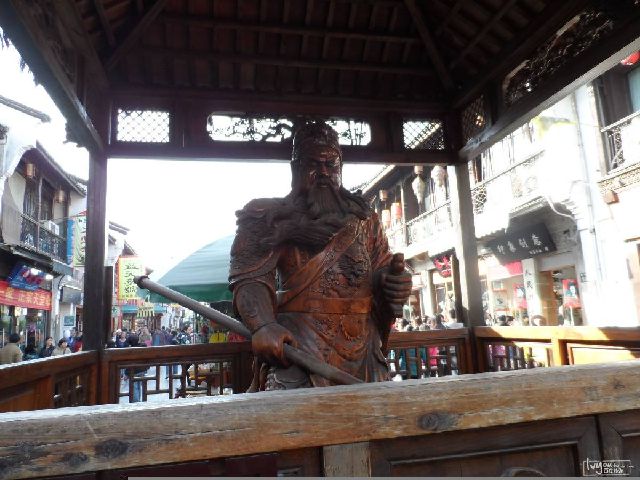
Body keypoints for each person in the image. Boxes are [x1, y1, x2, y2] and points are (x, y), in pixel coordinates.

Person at [229, 121, 412, 391]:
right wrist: (263, 325)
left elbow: (381, 268)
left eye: (331, 164)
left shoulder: (365, 219)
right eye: (313, 164)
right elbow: (249, 277)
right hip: (299, 345)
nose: (324, 172)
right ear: (296, 168)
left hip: (363, 345)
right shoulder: (269, 216)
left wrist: (395, 281)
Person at [125, 334, 148, 402]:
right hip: (142, 369)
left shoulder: (131, 350)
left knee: (134, 386)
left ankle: (136, 401)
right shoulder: (142, 347)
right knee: (138, 385)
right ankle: (138, 400)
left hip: (134, 371)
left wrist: (126, 373)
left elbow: (129, 363)